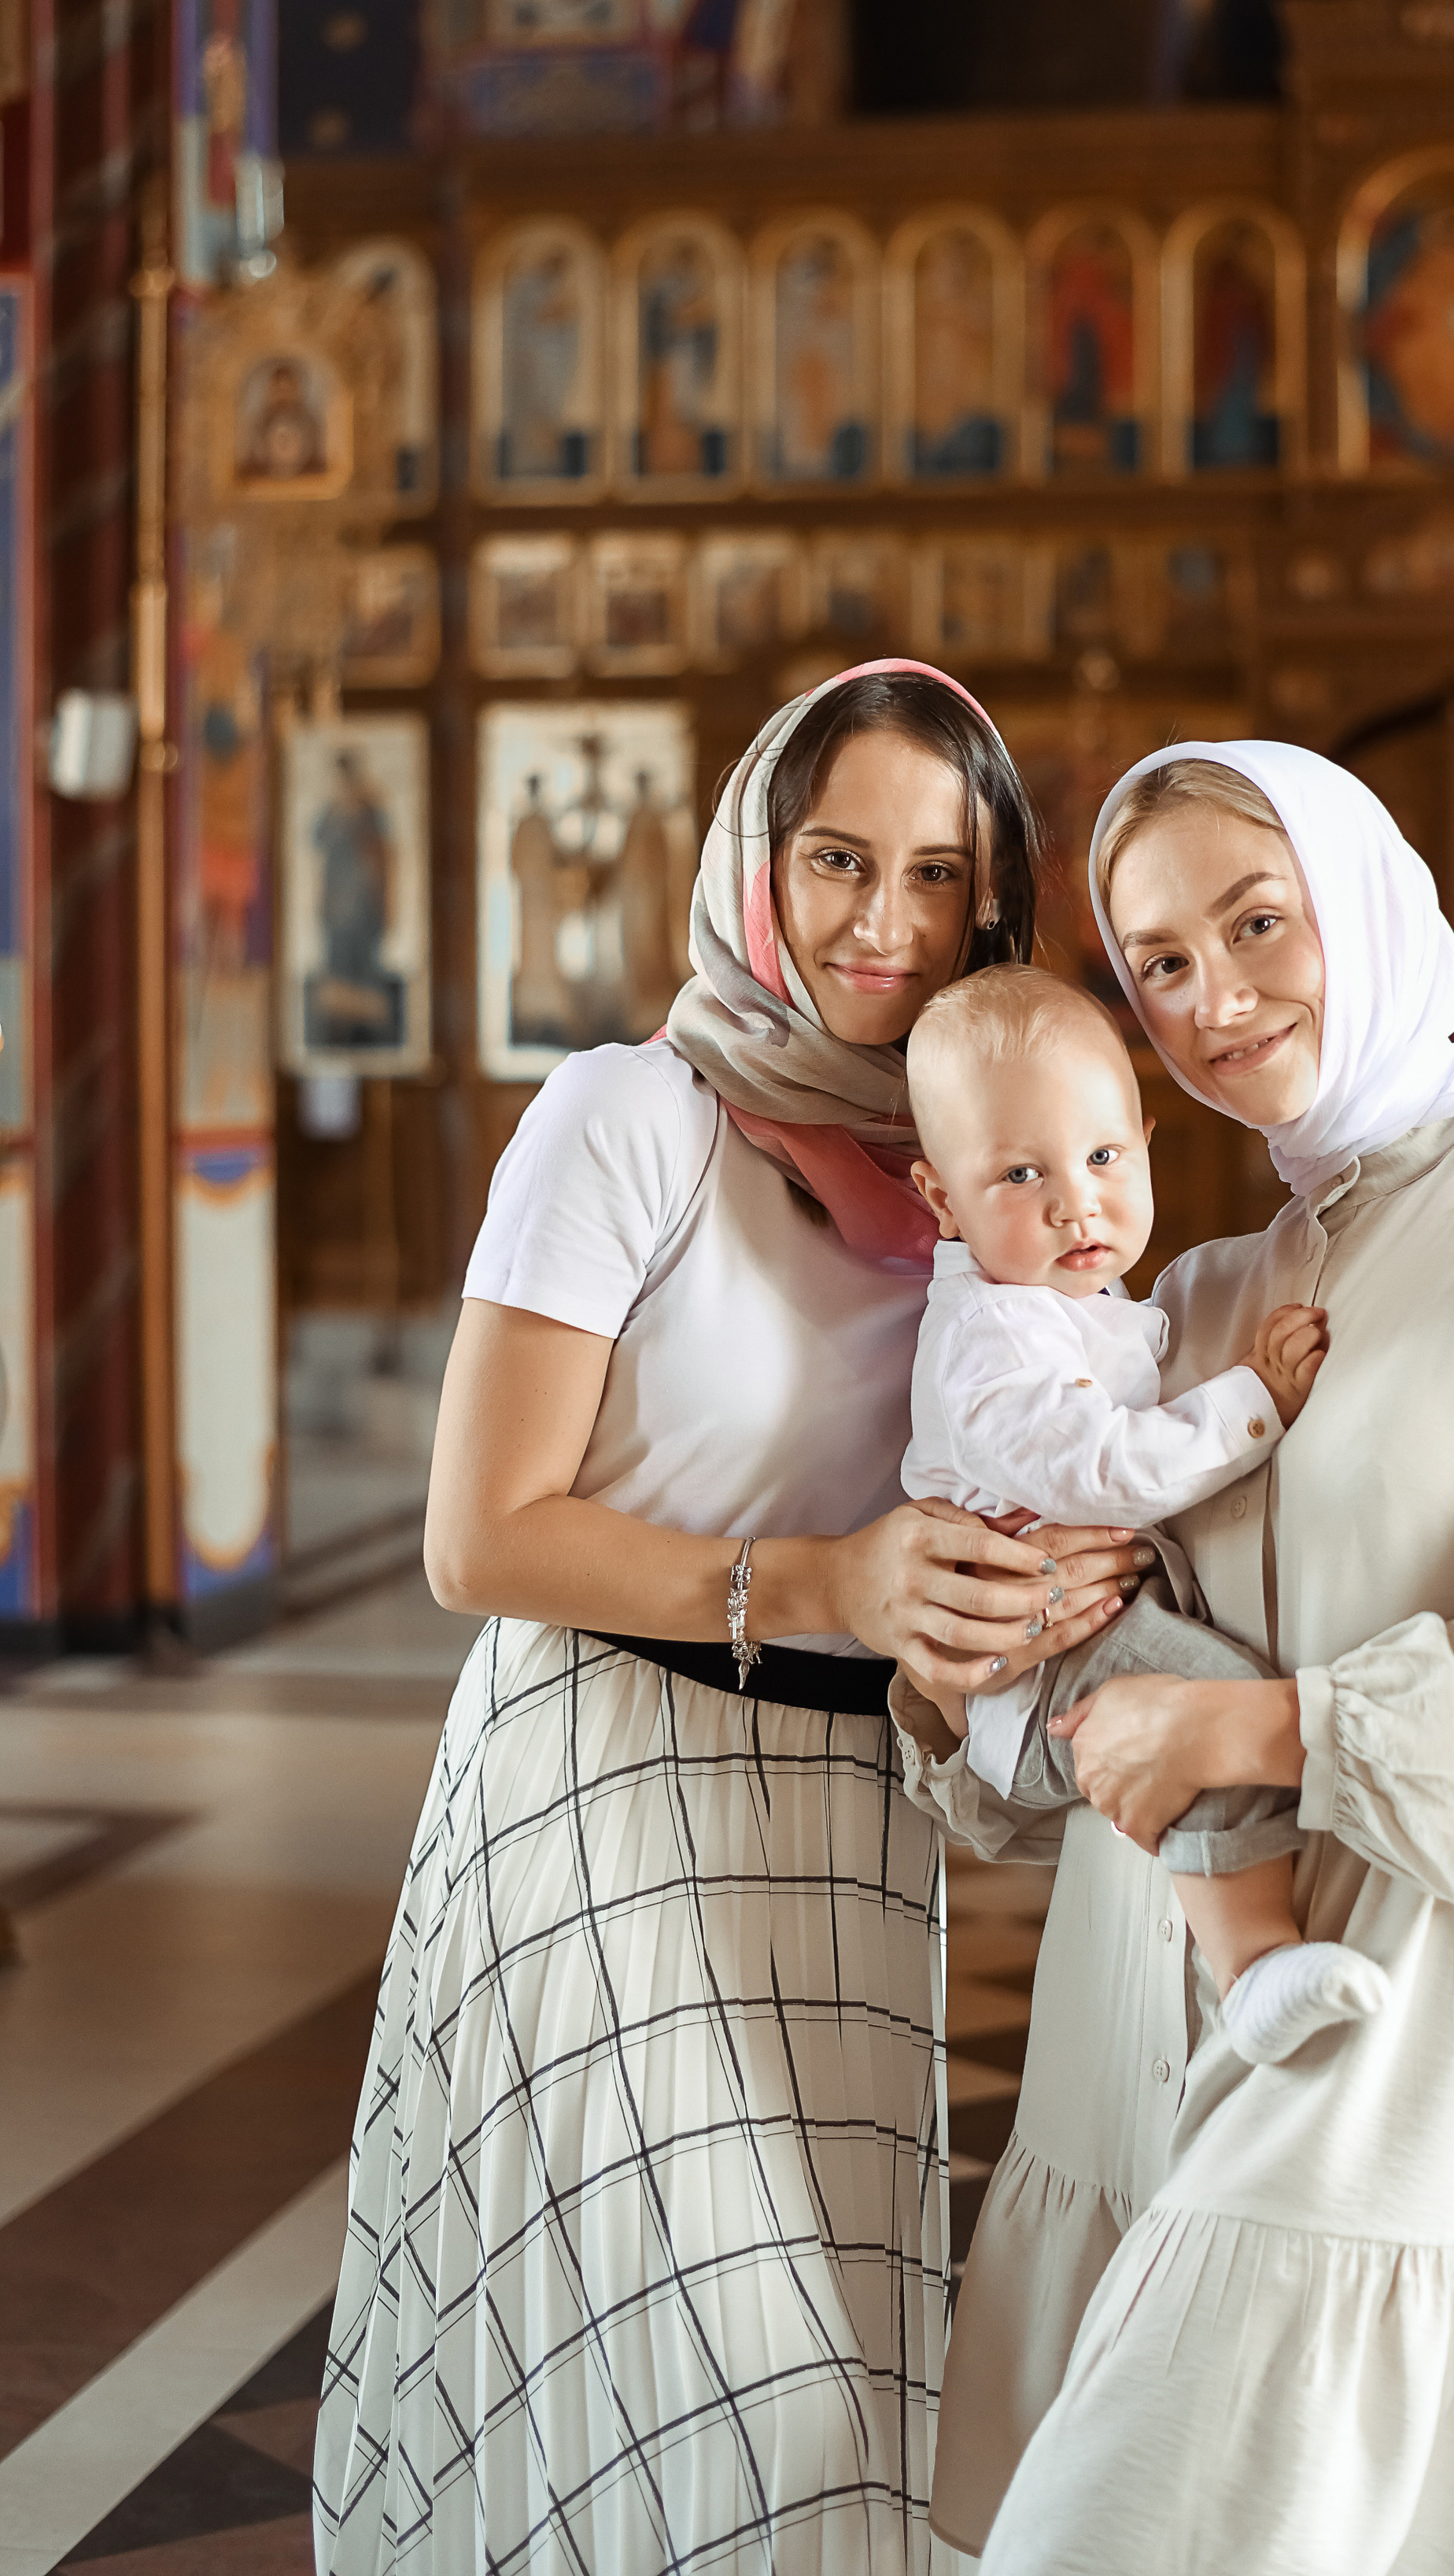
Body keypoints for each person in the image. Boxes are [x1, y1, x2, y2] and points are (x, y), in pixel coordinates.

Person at [312, 661, 1147, 2576]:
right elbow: (480, 1535)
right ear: (758, 868)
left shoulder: (974, 1176)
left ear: (989, 904)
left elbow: (1007, 1476)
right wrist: (832, 1584)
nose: (883, 921)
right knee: (744, 2399)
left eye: (937, 877)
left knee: (850, 2428)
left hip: (844, 1836)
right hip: (603, 1790)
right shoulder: (628, 1118)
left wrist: (1036, 1587)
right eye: (838, 859)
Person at [899, 740, 1454, 2574]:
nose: (1217, 998)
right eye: (1158, 968)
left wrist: (1236, 1720)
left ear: (1359, 901)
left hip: (1447, 1991)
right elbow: (1064, 1711)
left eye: (1254, 921)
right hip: (1150, 2018)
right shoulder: (1186, 1303)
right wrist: (956, 1661)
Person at [902, 963, 1383, 2068]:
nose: (1077, 1201)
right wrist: (1255, 1400)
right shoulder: (992, 1337)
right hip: (1032, 1669)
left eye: (1105, 1157)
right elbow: (1101, 1471)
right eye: (1021, 1174)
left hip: (1075, 1630)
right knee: (1210, 1702)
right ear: (943, 1199)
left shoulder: (1079, 1302)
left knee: (1210, 1688)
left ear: (1148, 1143)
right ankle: (1254, 1965)